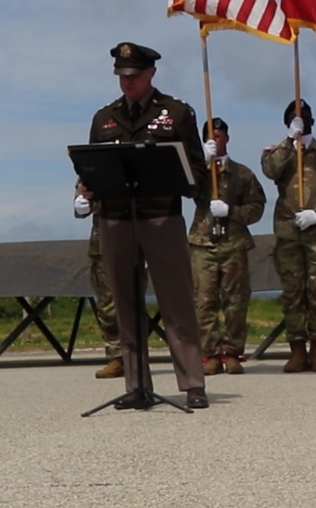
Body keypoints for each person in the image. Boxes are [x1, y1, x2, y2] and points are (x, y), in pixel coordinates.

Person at [84, 42, 212, 409]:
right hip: (115, 218)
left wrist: (187, 182)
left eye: (134, 76)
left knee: (176, 301)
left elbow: (196, 171)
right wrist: (86, 189)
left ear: (151, 73)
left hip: (161, 216)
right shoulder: (104, 117)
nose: (127, 83)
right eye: (122, 77)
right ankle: (136, 385)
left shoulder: (176, 112)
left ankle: (192, 383)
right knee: (125, 304)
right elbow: (93, 165)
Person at [261, 99, 316, 373]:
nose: (301, 119)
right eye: (294, 117)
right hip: (288, 235)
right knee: (292, 294)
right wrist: (289, 140)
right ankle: (297, 349)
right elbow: (271, 170)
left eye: (304, 115)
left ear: (313, 119)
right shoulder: (277, 152)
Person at [188, 117, 266, 375]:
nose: (216, 140)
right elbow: (183, 187)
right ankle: (210, 354)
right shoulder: (196, 171)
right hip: (203, 243)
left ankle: (232, 352)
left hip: (233, 244)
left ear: (227, 138)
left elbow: (256, 209)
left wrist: (231, 211)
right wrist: (200, 161)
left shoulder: (242, 174)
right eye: (210, 137)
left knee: (235, 301)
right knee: (204, 301)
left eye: (219, 135)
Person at [73, 181, 123, 379]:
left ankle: (136, 356)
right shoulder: (97, 157)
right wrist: (80, 201)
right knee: (107, 307)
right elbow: (84, 187)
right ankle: (117, 356)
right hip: (102, 243)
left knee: (131, 304)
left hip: (133, 238)